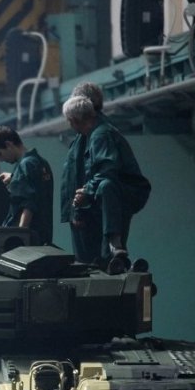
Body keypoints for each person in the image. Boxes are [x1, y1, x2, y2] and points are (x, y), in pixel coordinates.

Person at [64, 95, 152, 273]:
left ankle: (114, 244)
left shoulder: (100, 135)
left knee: (105, 185)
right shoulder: (92, 136)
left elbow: (107, 170)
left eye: (69, 120)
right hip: (111, 194)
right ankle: (111, 262)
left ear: (75, 120)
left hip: (126, 191)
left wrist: (87, 191)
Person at [59, 82, 106, 264]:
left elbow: (88, 174)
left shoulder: (97, 135)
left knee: (92, 265)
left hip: (88, 214)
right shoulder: (84, 136)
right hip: (82, 212)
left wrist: (79, 211)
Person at [0, 125, 54, 246]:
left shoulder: (25, 165)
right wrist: (14, 177)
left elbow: (28, 203)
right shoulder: (40, 162)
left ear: (8, 144)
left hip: (27, 239)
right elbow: (35, 187)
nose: (1, 160)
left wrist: (20, 236)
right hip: (42, 235)